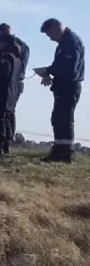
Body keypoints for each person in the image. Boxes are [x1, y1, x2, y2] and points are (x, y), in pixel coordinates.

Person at [37, 18, 84, 163]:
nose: (50, 38)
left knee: (64, 120)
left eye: (49, 34)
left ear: (56, 28)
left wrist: (48, 70)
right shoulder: (64, 43)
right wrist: (48, 73)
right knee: (58, 119)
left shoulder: (70, 43)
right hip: (63, 86)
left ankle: (65, 154)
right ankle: (59, 151)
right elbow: (60, 65)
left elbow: (69, 69)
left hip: (69, 86)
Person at [0, 23, 30, 137]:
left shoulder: (16, 46)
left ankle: (8, 137)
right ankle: (8, 137)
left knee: (8, 110)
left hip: (13, 81)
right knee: (9, 110)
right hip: (16, 80)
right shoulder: (23, 45)